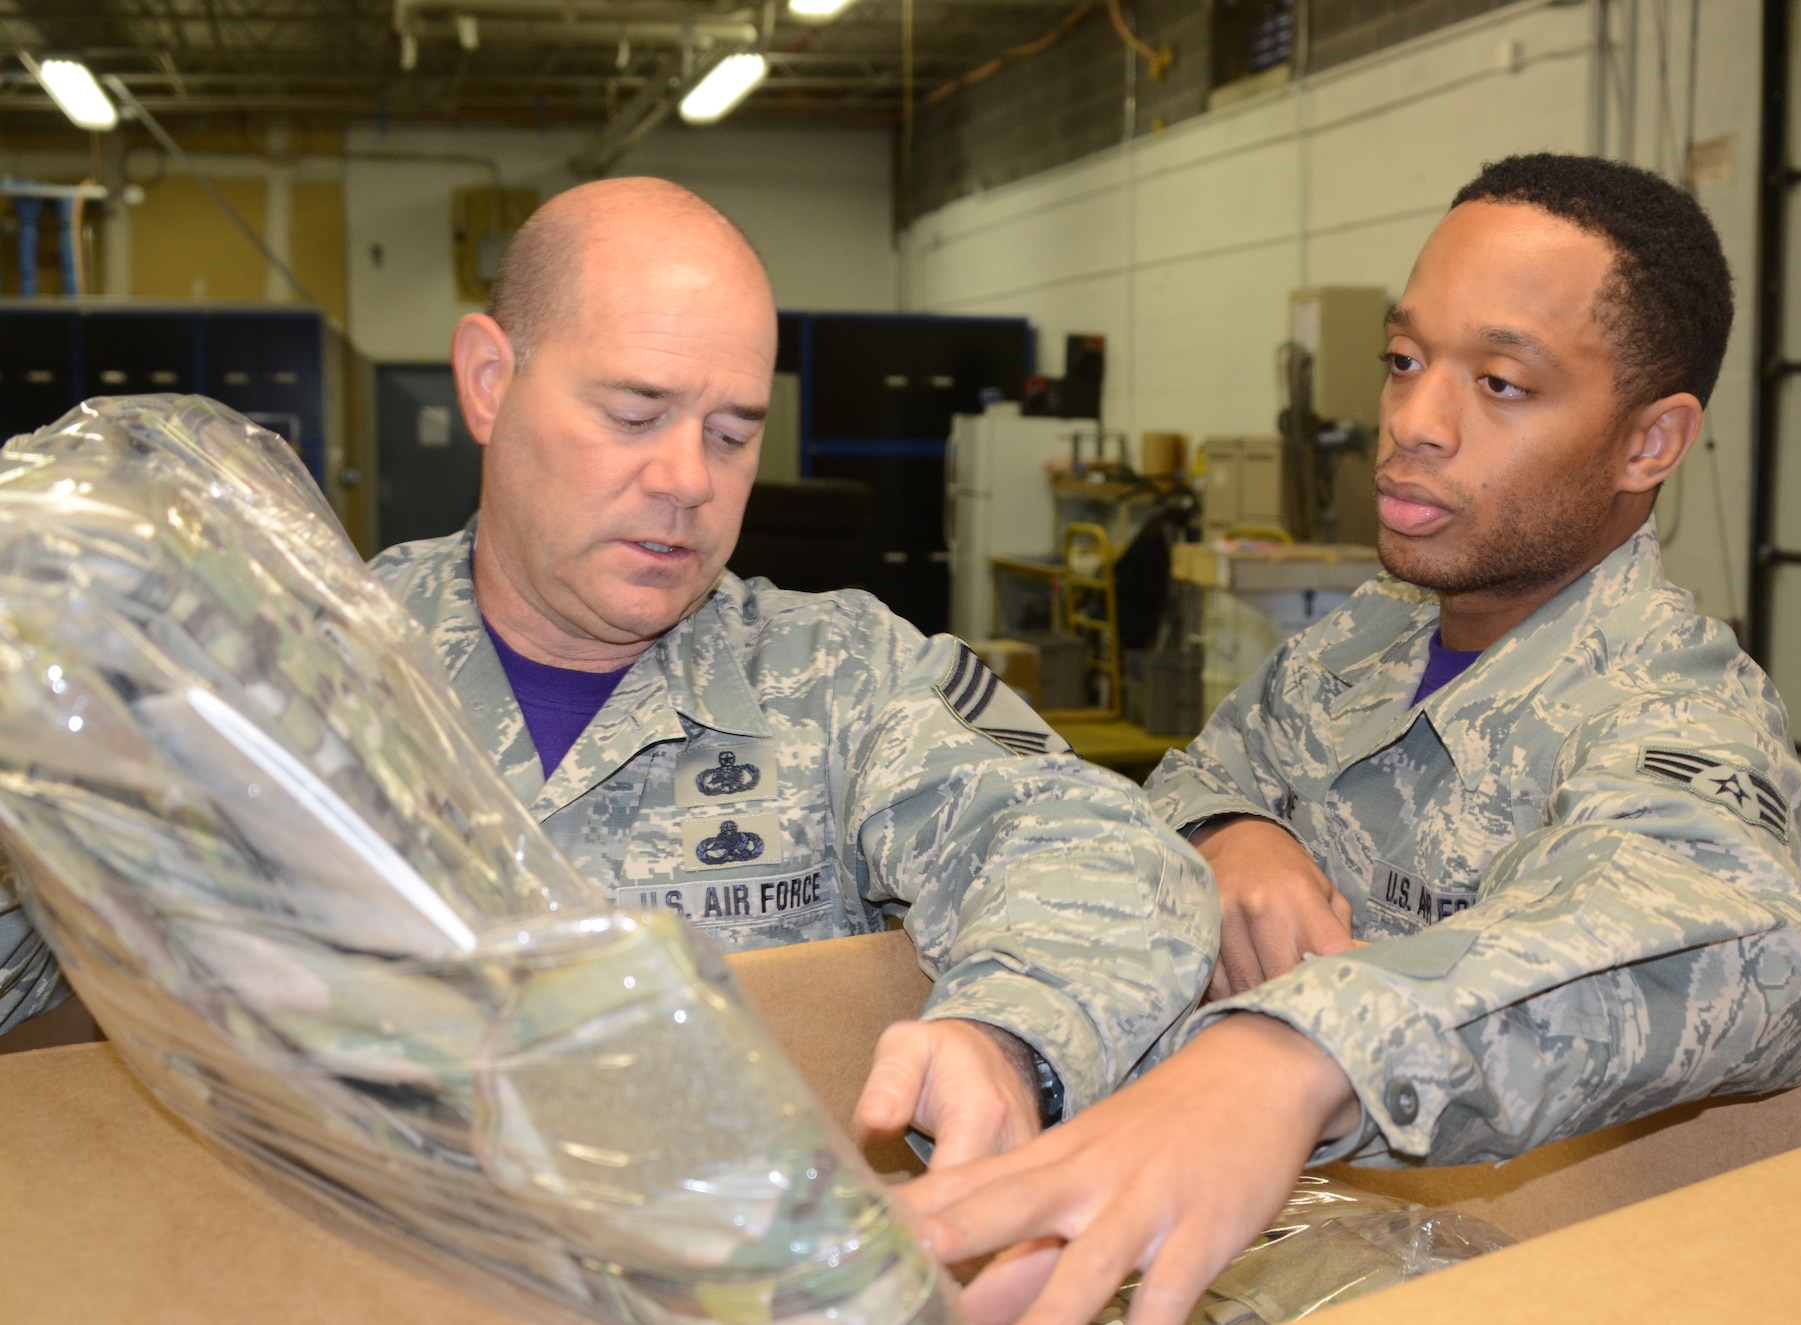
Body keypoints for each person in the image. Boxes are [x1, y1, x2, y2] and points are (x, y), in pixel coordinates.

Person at [891, 154, 1801, 1325]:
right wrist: (1229, 830)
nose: (1412, 423)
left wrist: (1290, 1057)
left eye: (1498, 383)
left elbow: (1746, 952)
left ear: (1647, 442)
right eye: (1403, 360)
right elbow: (1201, 772)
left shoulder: (1673, 707)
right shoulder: (1374, 635)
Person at [367, 177, 1215, 1169]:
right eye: (635, 414)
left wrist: (1004, 1039)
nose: (689, 479)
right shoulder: (299, 667)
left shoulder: (838, 677)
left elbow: (1105, 850)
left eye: (731, 433)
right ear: (486, 381)